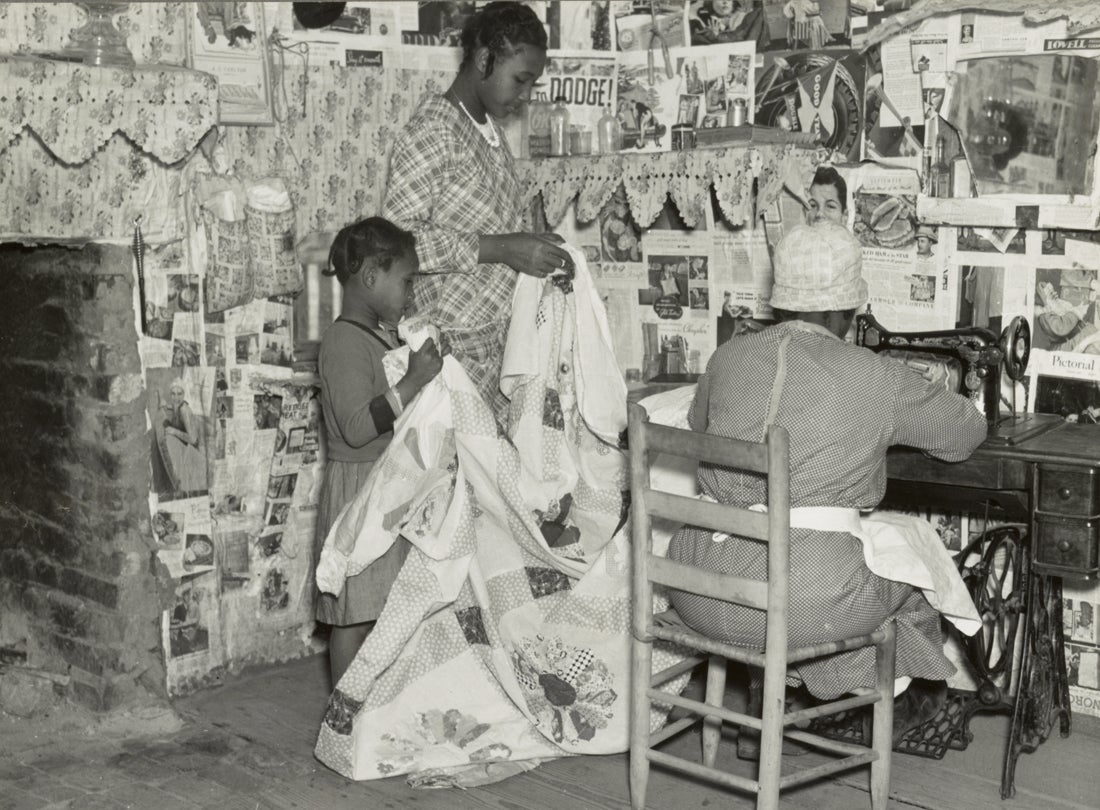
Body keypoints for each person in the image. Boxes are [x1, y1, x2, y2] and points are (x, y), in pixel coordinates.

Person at [668, 220, 987, 758]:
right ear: (851, 310)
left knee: (841, 568)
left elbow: (701, 430)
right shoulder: (873, 375)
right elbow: (963, 436)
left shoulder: (726, 359)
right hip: (799, 606)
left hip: (696, 584)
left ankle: (788, 700)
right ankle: (897, 699)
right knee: (916, 575)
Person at [383, 2, 572, 424]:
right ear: (485, 58)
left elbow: (490, 224)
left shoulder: (489, 134)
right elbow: (395, 248)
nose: (525, 97)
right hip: (452, 354)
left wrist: (535, 246)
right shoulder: (432, 131)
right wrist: (502, 249)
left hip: (496, 350)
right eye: (520, 80)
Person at [314, 216, 443, 686]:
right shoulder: (344, 341)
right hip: (359, 491)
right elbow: (354, 427)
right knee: (354, 612)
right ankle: (343, 715)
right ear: (370, 277)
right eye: (406, 281)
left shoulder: (381, 336)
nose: (410, 293)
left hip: (386, 488)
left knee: (384, 602)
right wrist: (411, 383)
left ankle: (375, 708)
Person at [155, 379, 207, 496]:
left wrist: (174, 431)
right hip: (185, 446)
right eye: (173, 394)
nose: (176, 397)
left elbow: (193, 440)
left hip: (193, 452)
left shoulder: (184, 410)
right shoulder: (175, 406)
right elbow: (168, 406)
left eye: (180, 394)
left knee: (169, 438)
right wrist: (162, 400)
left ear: (184, 394)